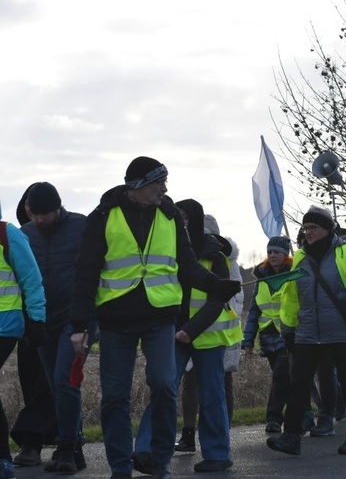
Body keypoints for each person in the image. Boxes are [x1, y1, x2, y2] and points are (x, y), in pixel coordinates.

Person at [69, 157, 241, 479]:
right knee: (115, 398)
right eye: (158, 182)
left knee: (164, 385)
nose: (164, 189)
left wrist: (217, 286)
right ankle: (121, 468)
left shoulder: (171, 215)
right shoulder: (103, 216)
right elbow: (85, 273)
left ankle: (159, 462)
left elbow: (188, 266)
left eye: (165, 182)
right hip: (115, 321)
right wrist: (79, 325)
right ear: (137, 185)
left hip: (160, 319)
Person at [134, 198, 240, 473]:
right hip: (171, 334)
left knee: (212, 396)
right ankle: (146, 451)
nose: (177, 221)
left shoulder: (216, 256)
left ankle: (217, 454)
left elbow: (217, 301)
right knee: (163, 388)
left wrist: (189, 330)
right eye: (175, 216)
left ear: (194, 219)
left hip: (205, 337)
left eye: (182, 216)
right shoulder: (165, 249)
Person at [266, 206, 346, 456]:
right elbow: (292, 296)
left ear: (327, 229)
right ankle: (291, 437)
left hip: (343, 333)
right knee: (299, 386)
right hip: (307, 333)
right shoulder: (300, 257)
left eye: (313, 228)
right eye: (305, 228)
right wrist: (288, 328)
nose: (308, 232)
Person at [22, 182, 91, 473]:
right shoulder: (25, 235)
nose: (40, 220)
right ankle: (75, 445)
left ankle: (65, 447)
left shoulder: (82, 227)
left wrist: (86, 323)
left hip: (74, 321)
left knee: (66, 379)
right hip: (41, 322)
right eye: (35, 215)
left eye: (45, 214)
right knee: (56, 385)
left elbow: (91, 273)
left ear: (58, 208)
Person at [175, 214, 244, 453]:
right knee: (192, 384)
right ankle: (189, 435)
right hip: (194, 331)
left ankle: (219, 437)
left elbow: (232, 297)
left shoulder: (223, 260)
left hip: (217, 333)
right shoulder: (190, 258)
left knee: (220, 387)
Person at [8, 184, 58, 470]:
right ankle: (61, 439)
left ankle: (32, 440)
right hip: (26, 320)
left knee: (53, 381)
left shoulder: (71, 230)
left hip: (61, 317)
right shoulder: (17, 236)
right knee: (31, 379)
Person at [0, 198, 46, 479]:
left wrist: (37, 318)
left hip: (5, 324)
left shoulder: (8, 234)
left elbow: (31, 278)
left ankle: (3, 460)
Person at [242, 235, 294, 434]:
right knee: (284, 379)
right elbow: (254, 311)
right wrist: (248, 341)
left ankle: (273, 418)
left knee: (281, 377)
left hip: (287, 335)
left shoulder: (293, 274)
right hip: (267, 337)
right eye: (269, 252)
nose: (272, 255)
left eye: (277, 252)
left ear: (285, 254)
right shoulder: (261, 278)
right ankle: (304, 414)